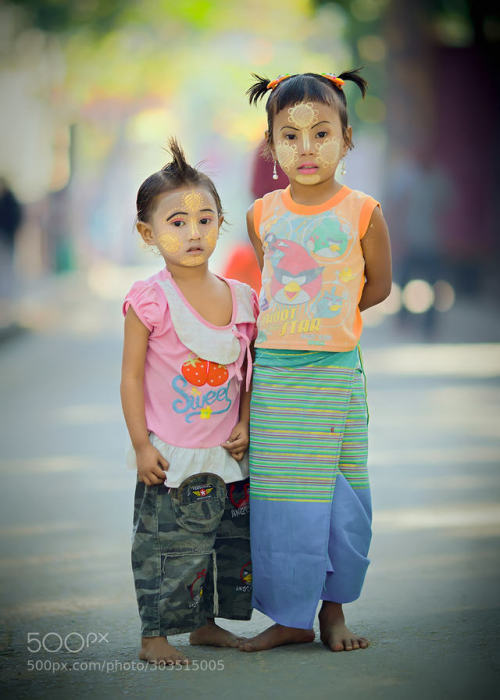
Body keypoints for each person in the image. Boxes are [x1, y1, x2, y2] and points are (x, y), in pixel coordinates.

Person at [241, 71, 392, 653]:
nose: (306, 148)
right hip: (278, 376)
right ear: (272, 146)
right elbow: (272, 284)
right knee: (281, 501)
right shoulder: (262, 214)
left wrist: (330, 316)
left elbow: (376, 287)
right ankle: (288, 617)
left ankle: (333, 613)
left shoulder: (363, 211)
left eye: (321, 133)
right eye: (290, 136)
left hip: (335, 377)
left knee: (341, 497)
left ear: (346, 139)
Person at [120, 139, 258, 665]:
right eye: (176, 222)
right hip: (172, 454)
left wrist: (243, 420)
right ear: (148, 233)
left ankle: (206, 625)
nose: (193, 231)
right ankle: (154, 635)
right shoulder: (150, 299)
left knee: (223, 548)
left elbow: (247, 372)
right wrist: (140, 445)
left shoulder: (243, 299)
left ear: (221, 223)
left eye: (205, 219)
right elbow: (131, 378)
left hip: (227, 454)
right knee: (166, 550)